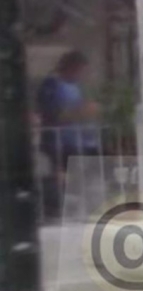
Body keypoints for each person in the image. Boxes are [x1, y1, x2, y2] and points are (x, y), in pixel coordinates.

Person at [37, 50, 101, 218]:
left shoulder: (77, 86)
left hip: (81, 141)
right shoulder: (52, 85)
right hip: (61, 143)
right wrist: (82, 112)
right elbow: (53, 115)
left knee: (83, 177)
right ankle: (61, 210)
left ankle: (79, 209)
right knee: (64, 177)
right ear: (71, 67)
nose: (81, 75)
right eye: (80, 70)